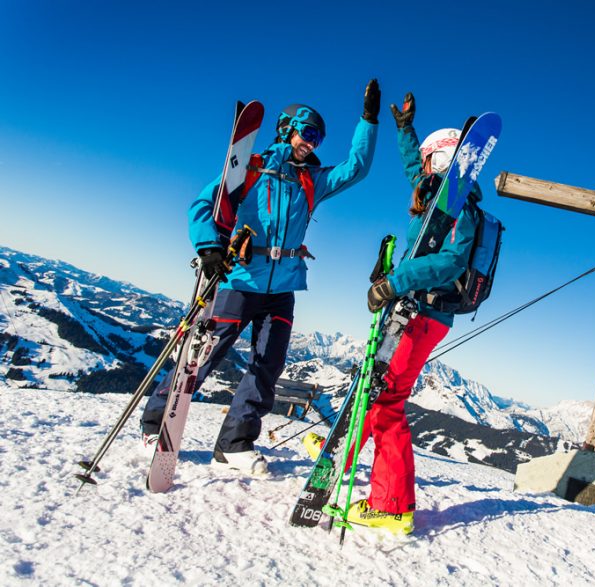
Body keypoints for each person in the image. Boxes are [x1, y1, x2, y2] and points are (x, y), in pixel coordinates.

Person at [141, 80, 381, 476]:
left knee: (267, 365)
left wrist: (368, 120)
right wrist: (209, 247)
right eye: (308, 133)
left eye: (318, 138)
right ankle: (155, 424)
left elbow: (356, 168)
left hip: (283, 287)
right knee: (203, 356)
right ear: (287, 129)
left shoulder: (311, 181)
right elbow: (203, 204)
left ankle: (234, 444)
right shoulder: (250, 168)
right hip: (239, 280)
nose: (312, 144)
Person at [305, 92, 480, 534]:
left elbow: (451, 262)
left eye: (427, 159)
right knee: (373, 384)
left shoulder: (460, 208)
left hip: (425, 314)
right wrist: (405, 130)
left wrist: (395, 282)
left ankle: (392, 506)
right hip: (409, 309)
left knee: (386, 401)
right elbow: (410, 169)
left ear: (442, 160)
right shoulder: (436, 197)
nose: (420, 166)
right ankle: (342, 453)